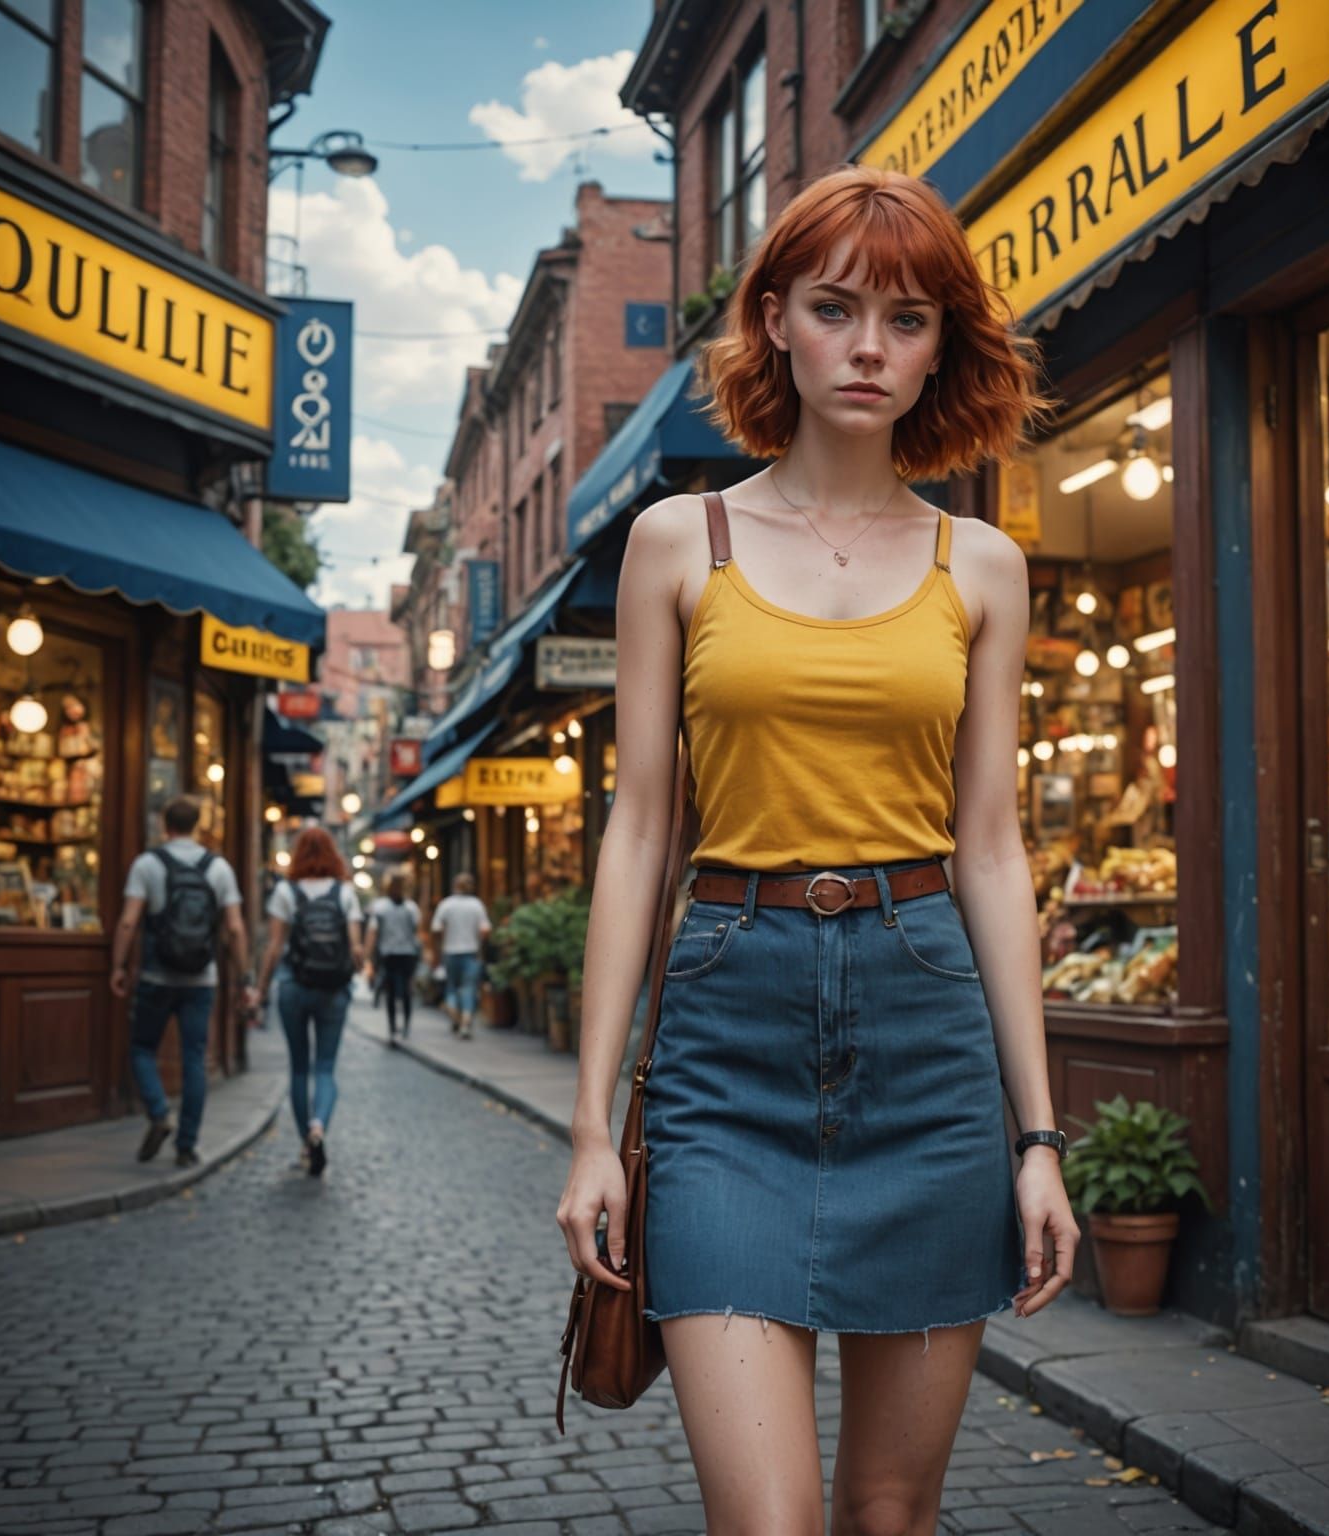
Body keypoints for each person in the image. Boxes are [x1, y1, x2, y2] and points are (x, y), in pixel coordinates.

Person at [555, 165, 1080, 1529]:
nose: (868, 347)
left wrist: (1037, 1138)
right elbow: (642, 832)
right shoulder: (682, 542)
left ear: (938, 350)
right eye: (836, 308)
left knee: (890, 1517)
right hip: (728, 1049)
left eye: (905, 321)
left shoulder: (983, 564)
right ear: (775, 319)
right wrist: (591, 1131)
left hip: (928, 1040)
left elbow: (991, 849)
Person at [111, 796, 253, 1168]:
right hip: (202, 979)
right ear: (198, 825)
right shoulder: (218, 868)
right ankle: (187, 1146)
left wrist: (118, 965)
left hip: (157, 975)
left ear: (164, 824)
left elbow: (128, 921)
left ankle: (159, 1113)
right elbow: (235, 928)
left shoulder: (147, 864)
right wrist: (245, 978)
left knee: (142, 1049)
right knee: (195, 1058)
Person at [255, 828, 362, 1177]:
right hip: (333, 990)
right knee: (326, 1068)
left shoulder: (285, 892)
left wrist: (260, 990)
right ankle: (319, 1126)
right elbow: (357, 951)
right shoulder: (345, 894)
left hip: (293, 986)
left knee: (299, 1068)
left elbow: (273, 948)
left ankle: (305, 1142)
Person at [430, 873, 491, 1038]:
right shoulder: (476, 905)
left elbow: (436, 929)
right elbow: (485, 930)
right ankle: (465, 1023)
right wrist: (479, 944)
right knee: (469, 988)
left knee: (451, 988)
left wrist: (440, 945)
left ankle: (455, 1017)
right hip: (471, 952)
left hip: (450, 951)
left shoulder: (447, 904)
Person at [364, 872, 421, 1039]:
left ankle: (392, 1026)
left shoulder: (382, 907)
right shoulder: (411, 907)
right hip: (407, 953)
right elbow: (417, 930)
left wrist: (369, 954)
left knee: (391, 991)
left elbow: (373, 932)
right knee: (406, 991)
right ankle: (406, 1026)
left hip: (389, 953)